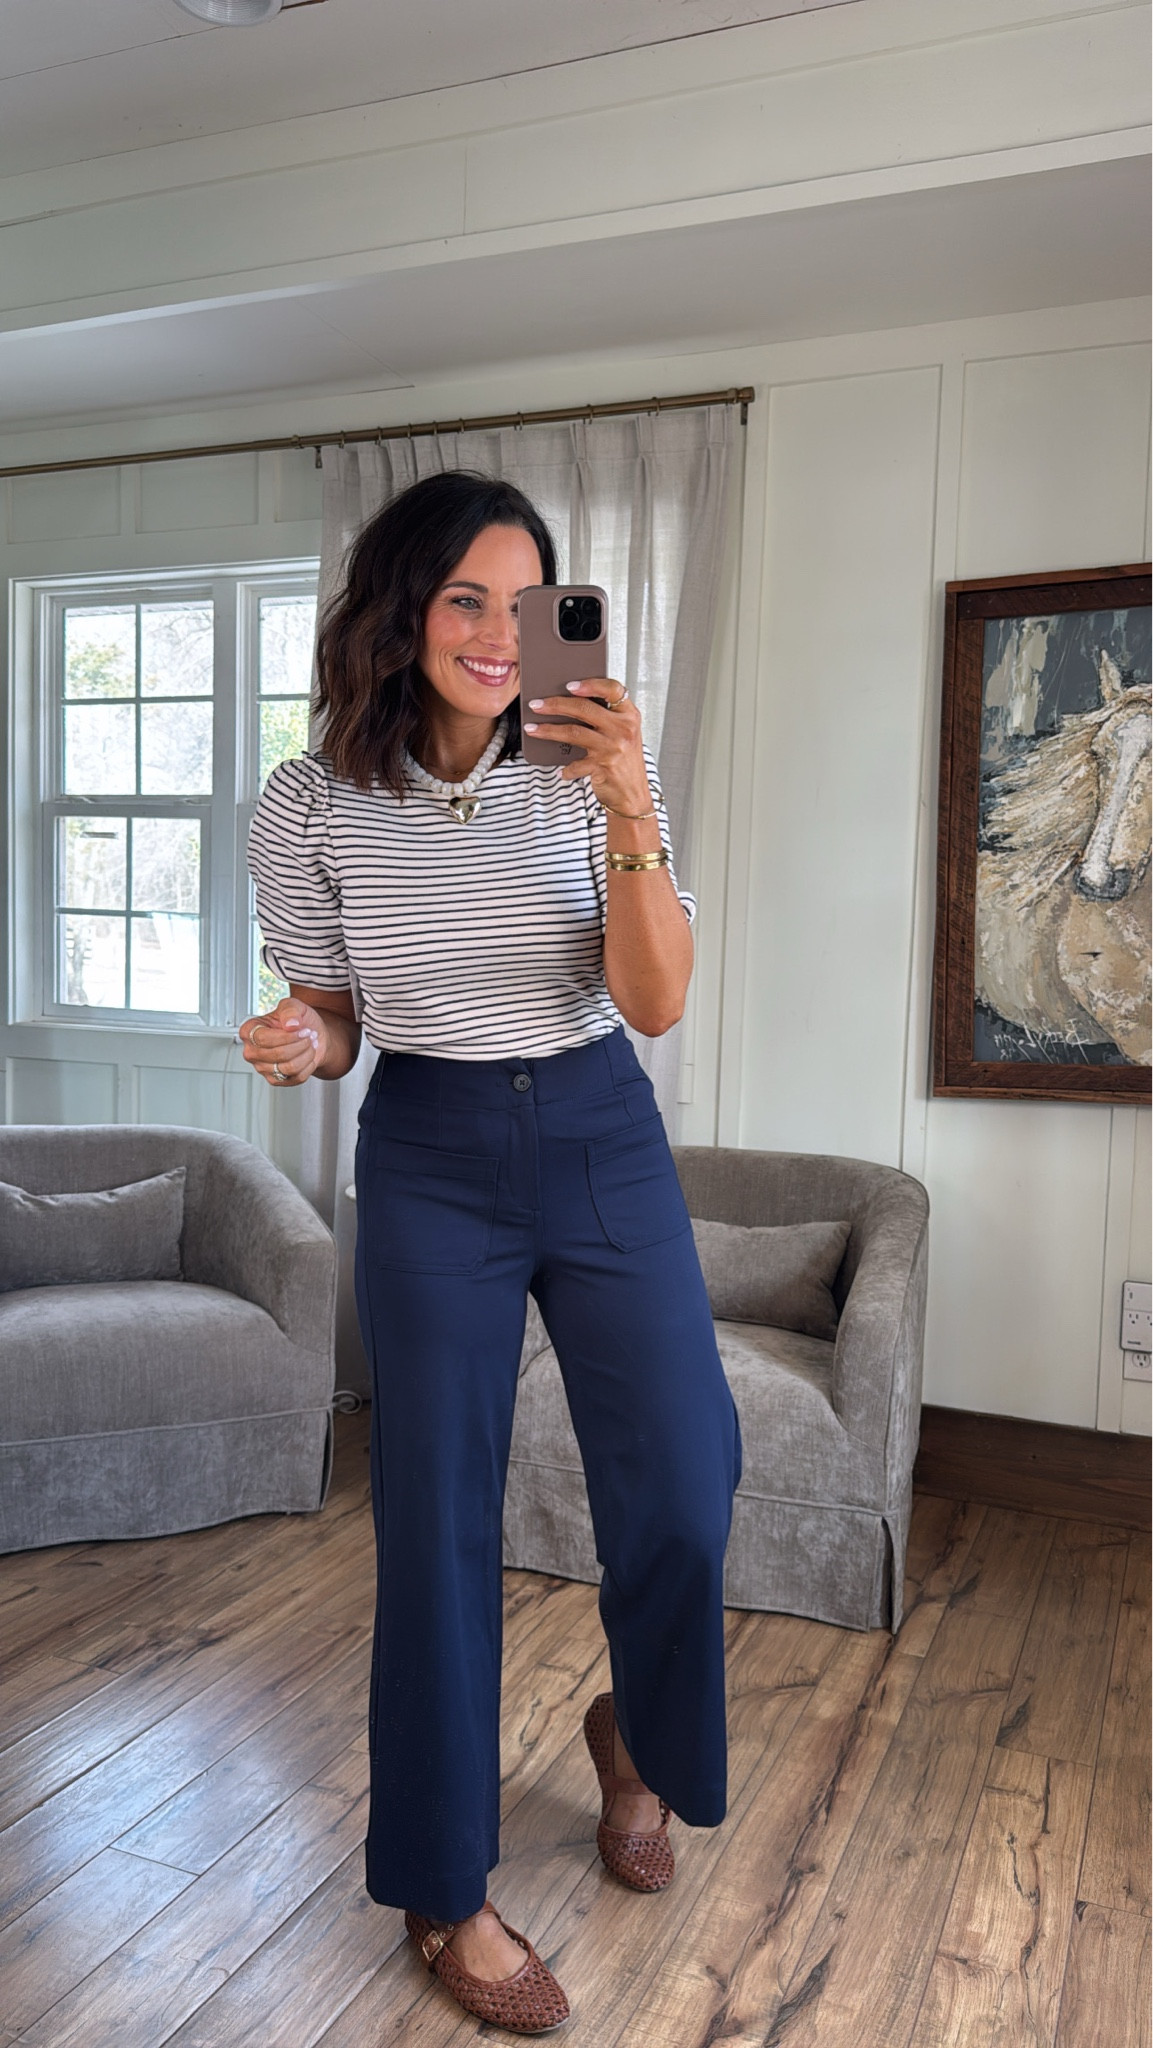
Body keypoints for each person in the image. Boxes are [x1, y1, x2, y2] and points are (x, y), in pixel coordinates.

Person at [242, 471, 742, 2034]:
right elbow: (335, 1009)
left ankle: (635, 1738)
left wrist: (630, 800)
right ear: (400, 612)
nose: (491, 629)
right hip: (433, 1153)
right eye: (463, 596)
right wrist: (296, 1036)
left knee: (681, 1472)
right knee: (434, 1518)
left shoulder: (576, 773)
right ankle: (444, 1894)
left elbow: (653, 1003)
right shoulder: (307, 802)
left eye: (520, 603)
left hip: (598, 1127)